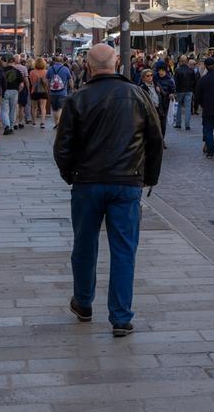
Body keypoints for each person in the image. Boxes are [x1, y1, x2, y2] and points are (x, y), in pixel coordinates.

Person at [53, 43, 163, 338]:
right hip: (126, 182)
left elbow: (62, 146)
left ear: (88, 66)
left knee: (84, 246)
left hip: (87, 183)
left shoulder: (78, 98)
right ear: (117, 63)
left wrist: (70, 175)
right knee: (124, 250)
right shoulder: (137, 95)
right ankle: (121, 317)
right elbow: (155, 139)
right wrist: (148, 177)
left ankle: (83, 302)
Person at [1, 56, 24, 136]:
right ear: (14, 62)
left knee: (4, 110)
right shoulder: (17, 71)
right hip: (14, 91)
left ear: (7, 62)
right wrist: (18, 91)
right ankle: (11, 127)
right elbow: (21, 84)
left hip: (4, 91)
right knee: (13, 110)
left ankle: (6, 126)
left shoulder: (2, 70)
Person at [173, 55, 197, 130]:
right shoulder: (191, 70)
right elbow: (194, 81)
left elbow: (175, 82)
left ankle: (178, 124)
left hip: (179, 91)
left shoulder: (177, 70)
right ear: (187, 61)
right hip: (189, 90)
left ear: (180, 61)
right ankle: (187, 125)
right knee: (188, 107)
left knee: (178, 107)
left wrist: (174, 91)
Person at [29, 57, 50, 129]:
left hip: (34, 91)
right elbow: (47, 83)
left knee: (34, 107)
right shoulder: (46, 72)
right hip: (43, 91)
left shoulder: (32, 72)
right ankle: (42, 122)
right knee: (43, 107)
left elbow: (31, 83)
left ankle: (34, 122)